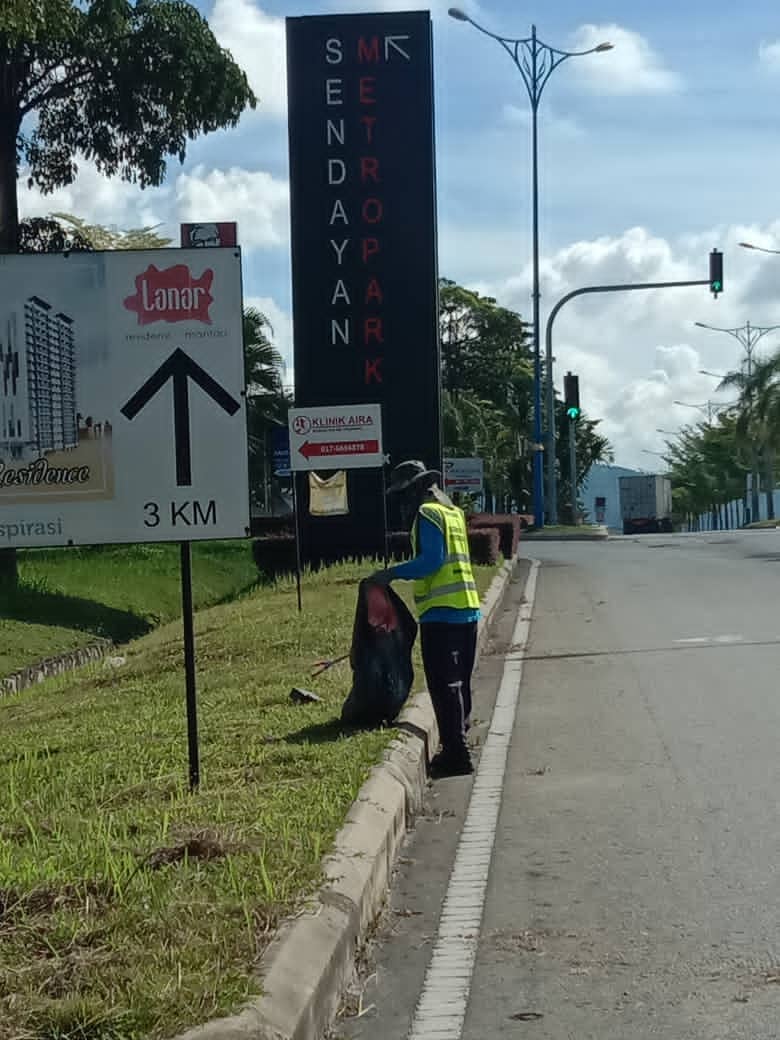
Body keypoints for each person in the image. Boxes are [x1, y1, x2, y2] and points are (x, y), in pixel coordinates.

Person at [371, 460, 481, 777]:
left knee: (444, 685)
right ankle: (459, 740)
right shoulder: (453, 512)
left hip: (442, 614)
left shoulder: (427, 513)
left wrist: (390, 574)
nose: (403, 502)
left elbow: (431, 562)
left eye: (404, 494)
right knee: (459, 682)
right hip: (467, 608)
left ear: (417, 490)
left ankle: (457, 755)